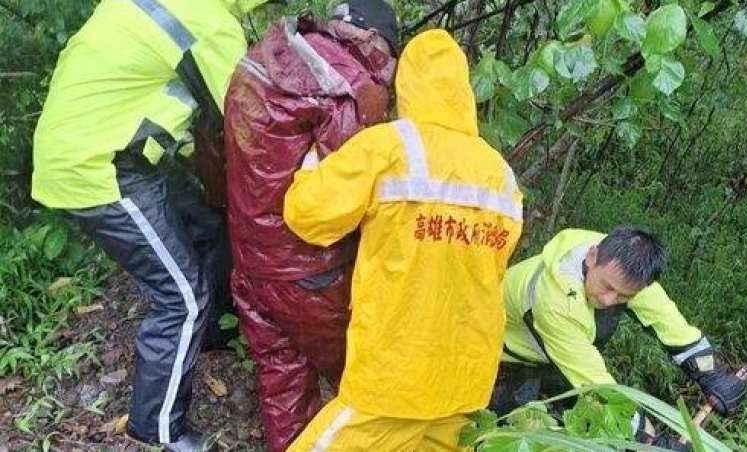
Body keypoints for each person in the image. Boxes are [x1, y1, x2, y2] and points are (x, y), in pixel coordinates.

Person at [30, 1, 271, 450]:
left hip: (96, 152)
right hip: (102, 169)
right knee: (182, 298)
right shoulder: (211, 24)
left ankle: (214, 333)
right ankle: (158, 430)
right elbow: (248, 121)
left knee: (205, 222)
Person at [283, 29, 524, 452]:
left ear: (406, 86)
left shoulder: (392, 146)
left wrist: (309, 165)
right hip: (466, 377)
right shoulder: (500, 172)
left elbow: (309, 216)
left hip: (395, 372)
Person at [222, 1, 398, 450]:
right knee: (364, 377)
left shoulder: (266, 54)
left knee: (282, 382)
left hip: (249, 263)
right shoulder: (351, 87)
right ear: (376, 42)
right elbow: (347, 196)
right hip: (309, 273)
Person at [491, 227, 746, 450]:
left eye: (623, 296)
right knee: (503, 436)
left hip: (558, 358)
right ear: (591, 257)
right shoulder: (554, 298)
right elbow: (596, 384)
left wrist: (712, 374)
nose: (609, 300)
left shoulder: (626, 267)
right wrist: (649, 442)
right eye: (607, 287)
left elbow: (669, 323)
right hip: (503, 361)